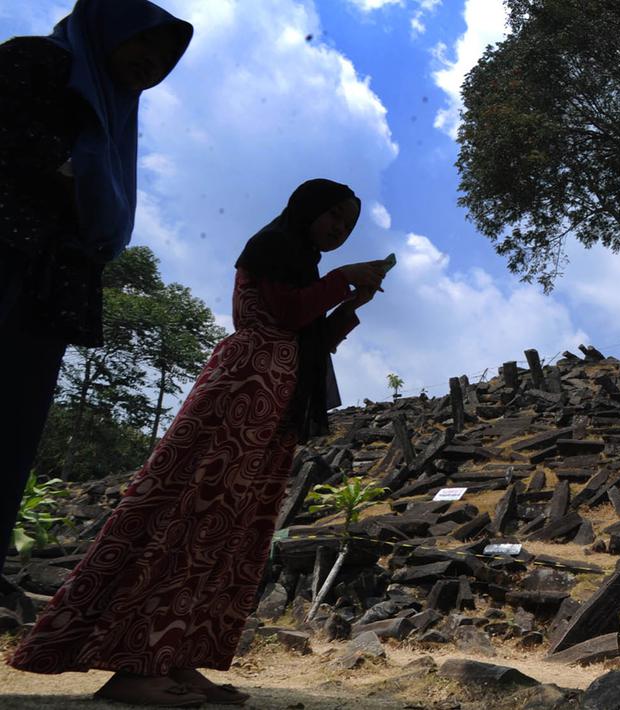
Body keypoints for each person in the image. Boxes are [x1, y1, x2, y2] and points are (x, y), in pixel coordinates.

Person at [7, 179, 388, 707]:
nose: (339, 231)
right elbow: (287, 315)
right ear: (306, 209)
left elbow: (310, 340)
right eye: (333, 218)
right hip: (240, 395)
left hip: (270, 410)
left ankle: (177, 658)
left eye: (348, 227)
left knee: (228, 531)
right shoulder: (272, 247)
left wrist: (351, 302)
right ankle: (132, 666)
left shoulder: (305, 268)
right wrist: (342, 280)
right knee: (189, 516)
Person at [0, 0, 194, 576]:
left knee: (11, 437)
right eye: (145, 47)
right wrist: (72, 173)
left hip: (50, 291)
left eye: (166, 62)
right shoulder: (33, 61)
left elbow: (100, 208)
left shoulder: (115, 121)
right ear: (108, 30)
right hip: (9, 259)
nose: (153, 66)